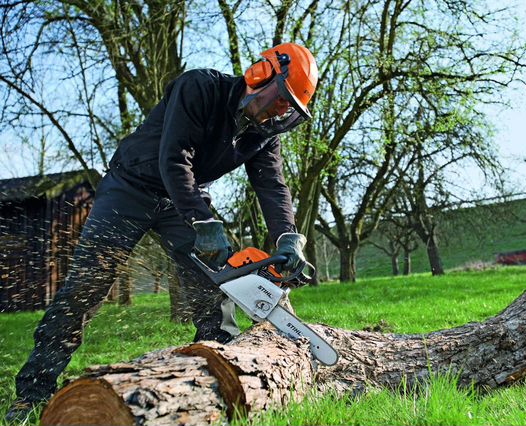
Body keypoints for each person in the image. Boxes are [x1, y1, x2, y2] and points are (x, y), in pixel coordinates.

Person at [5, 42, 318, 422]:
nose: (280, 111)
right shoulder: (199, 87)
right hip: (131, 187)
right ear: (261, 74)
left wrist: (288, 237)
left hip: (181, 202)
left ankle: (219, 376)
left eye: (290, 109)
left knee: (215, 285)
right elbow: (174, 158)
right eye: (281, 99)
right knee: (86, 285)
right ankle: (33, 392)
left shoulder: (264, 131)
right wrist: (203, 220)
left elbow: (272, 185)